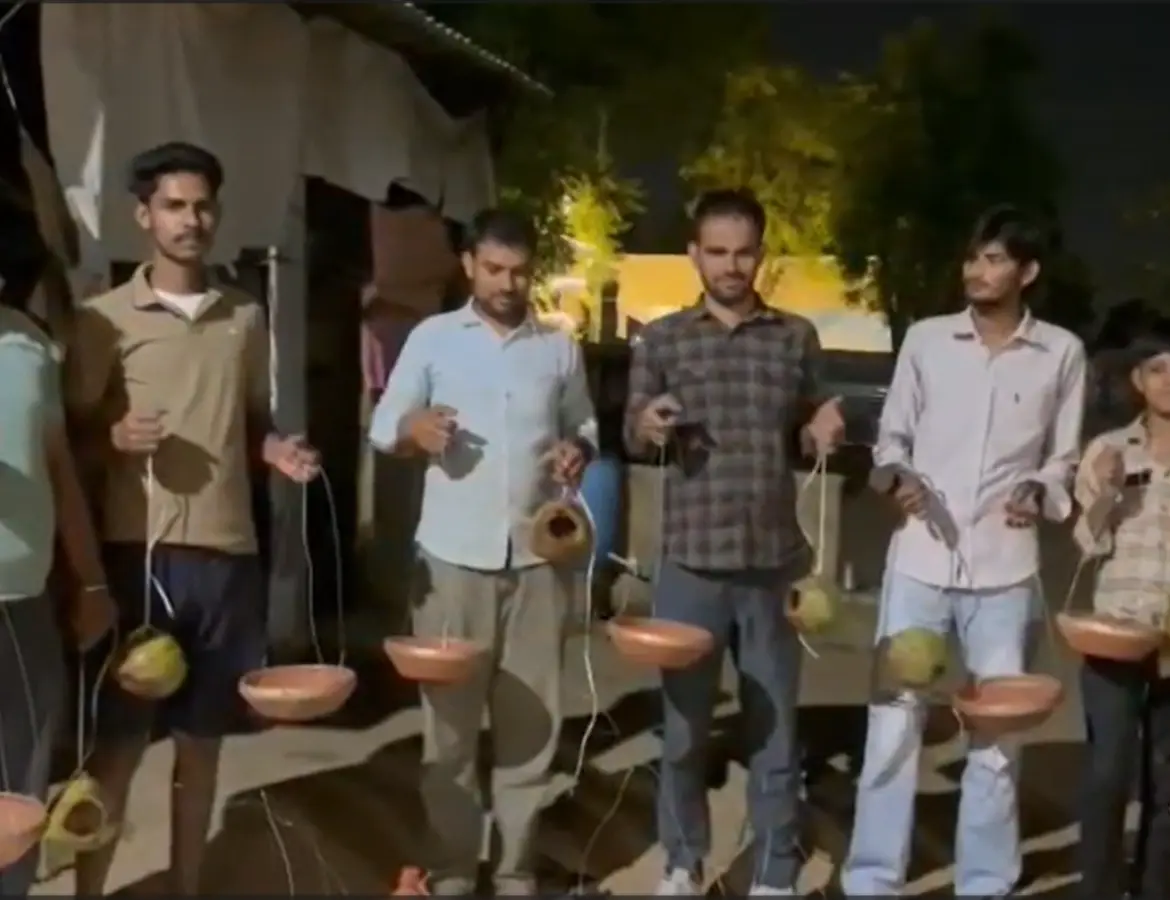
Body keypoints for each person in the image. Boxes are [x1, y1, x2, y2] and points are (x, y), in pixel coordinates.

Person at [63, 142, 320, 897]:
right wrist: (112, 438)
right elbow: (66, 439)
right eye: (174, 206)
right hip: (137, 557)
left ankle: (184, 888)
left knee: (202, 746)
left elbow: (251, 424)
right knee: (118, 748)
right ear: (143, 216)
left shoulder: (245, 316)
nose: (191, 220)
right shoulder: (103, 320)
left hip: (227, 556)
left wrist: (277, 451)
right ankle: (88, 892)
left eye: (202, 206)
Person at [840, 205, 1087, 897]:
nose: (977, 271)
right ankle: (872, 879)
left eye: (995, 259)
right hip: (918, 565)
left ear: (1027, 272)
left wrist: (1038, 491)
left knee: (997, 740)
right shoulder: (926, 340)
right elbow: (890, 441)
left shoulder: (1062, 353)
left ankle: (985, 883)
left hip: (1005, 572)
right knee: (893, 728)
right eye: (973, 257)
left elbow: (1062, 460)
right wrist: (899, 479)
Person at [368, 208, 597, 896]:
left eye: (519, 271)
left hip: (538, 564)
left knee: (531, 729)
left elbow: (584, 422)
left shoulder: (558, 348)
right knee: (450, 735)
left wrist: (577, 448)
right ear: (469, 265)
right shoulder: (434, 338)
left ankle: (516, 870)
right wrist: (415, 428)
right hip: (450, 563)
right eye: (494, 269)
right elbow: (384, 426)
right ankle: (452, 871)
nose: (507, 283)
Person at [624, 188, 844, 897]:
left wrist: (822, 430)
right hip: (690, 562)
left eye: (743, 252)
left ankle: (775, 870)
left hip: (773, 564)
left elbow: (811, 425)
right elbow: (634, 430)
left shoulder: (795, 337)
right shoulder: (662, 339)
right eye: (716, 251)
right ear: (693, 254)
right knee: (684, 731)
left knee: (774, 729)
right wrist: (648, 425)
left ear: (761, 255)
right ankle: (683, 861)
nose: (730, 265)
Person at [1072, 317, 1170, 900]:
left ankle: (1153, 888)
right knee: (1108, 772)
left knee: (1169, 779)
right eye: (1157, 369)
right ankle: (1097, 889)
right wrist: (1105, 494)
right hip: (1115, 634)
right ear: (1138, 382)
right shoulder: (1108, 449)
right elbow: (1087, 544)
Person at [0, 285, 116, 899]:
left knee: (21, 795)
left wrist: (91, 580)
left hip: (26, 603)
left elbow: (58, 467)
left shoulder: (30, 344)